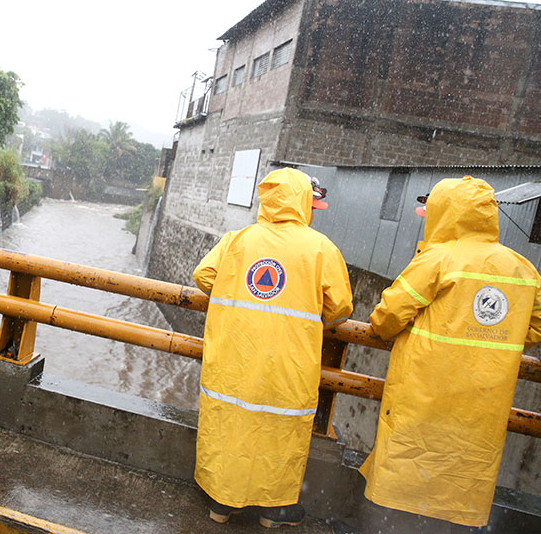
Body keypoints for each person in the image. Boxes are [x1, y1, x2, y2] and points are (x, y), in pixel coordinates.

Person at [359, 176, 541, 528]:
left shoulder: (438, 259)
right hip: (481, 403)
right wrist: (495, 339)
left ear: (445, 213)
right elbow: (535, 326)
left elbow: (387, 317)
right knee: (460, 481)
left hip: (424, 394)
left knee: (405, 476)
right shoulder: (522, 268)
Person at [192, 167, 352, 529]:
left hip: (236, 357)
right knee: (280, 431)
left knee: (231, 422)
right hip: (289, 362)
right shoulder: (320, 249)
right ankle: (272, 510)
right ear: (302, 202)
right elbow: (341, 307)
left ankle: (222, 502)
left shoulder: (239, 239)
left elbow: (203, 276)